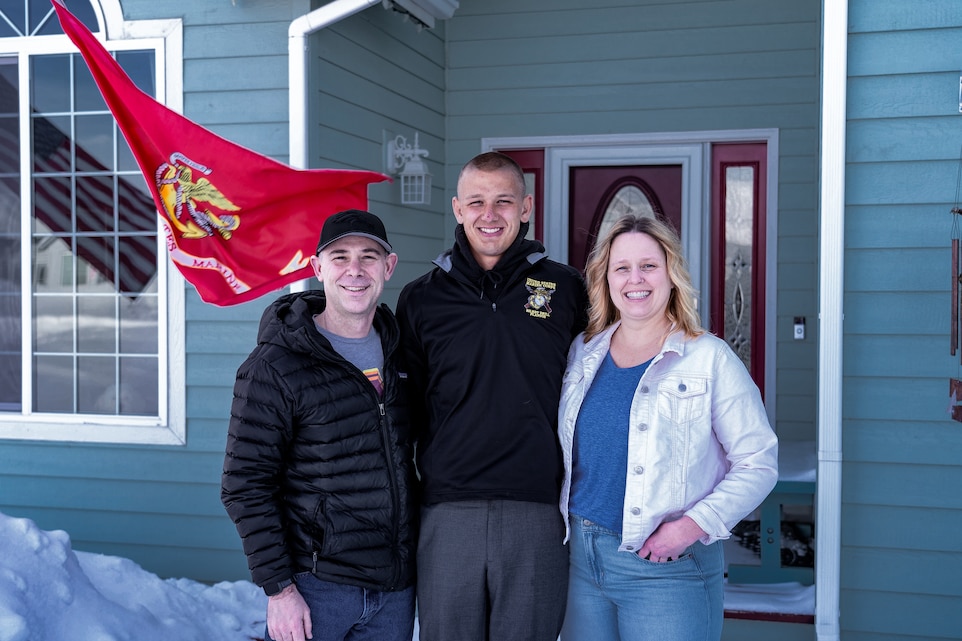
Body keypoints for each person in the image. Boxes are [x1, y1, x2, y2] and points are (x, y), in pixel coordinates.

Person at [557, 215, 778, 641]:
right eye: (621, 268)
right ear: (605, 278)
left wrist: (690, 527)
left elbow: (758, 461)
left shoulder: (709, 358)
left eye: (649, 266)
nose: (634, 279)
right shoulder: (583, 352)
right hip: (579, 562)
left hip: (667, 567)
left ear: (671, 275)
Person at [396, 151, 588, 641]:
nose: (489, 214)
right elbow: (406, 410)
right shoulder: (421, 298)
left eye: (503, 201)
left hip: (537, 509)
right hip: (448, 510)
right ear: (458, 209)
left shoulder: (566, 289)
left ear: (526, 207)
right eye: (477, 202)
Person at [221, 209, 417, 641]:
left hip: (394, 590)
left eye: (369, 256)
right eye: (339, 257)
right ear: (317, 268)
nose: (355, 270)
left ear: (388, 267)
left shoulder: (403, 353)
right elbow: (244, 483)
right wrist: (280, 590)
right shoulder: (276, 365)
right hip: (315, 588)